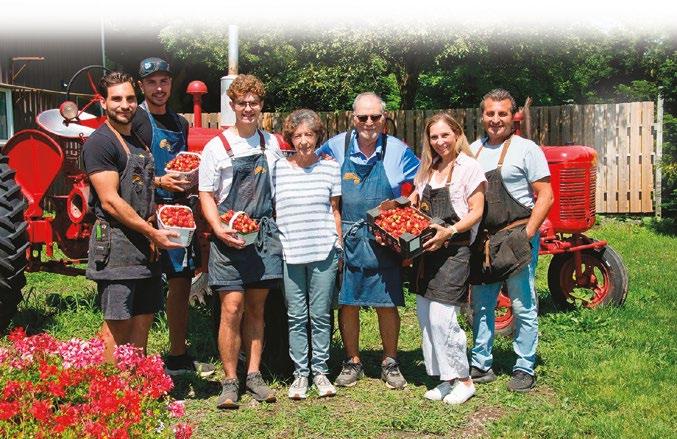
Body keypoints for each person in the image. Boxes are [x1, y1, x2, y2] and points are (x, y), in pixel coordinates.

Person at [316, 92, 420, 390]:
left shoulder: (398, 150)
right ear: (354, 118)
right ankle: (353, 361)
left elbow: (422, 181)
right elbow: (311, 169)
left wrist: (409, 203)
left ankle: (390, 361)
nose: (369, 122)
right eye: (363, 117)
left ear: (384, 118)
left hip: (384, 237)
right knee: (347, 301)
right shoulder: (335, 147)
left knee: (386, 302)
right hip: (346, 235)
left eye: (375, 116)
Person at [82, 71, 182, 362]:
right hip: (116, 245)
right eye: (116, 99)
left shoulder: (137, 140)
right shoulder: (101, 143)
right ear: (103, 103)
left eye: (129, 98)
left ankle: (137, 383)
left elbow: (138, 182)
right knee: (118, 323)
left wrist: (160, 183)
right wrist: (152, 232)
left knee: (143, 317)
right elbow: (111, 201)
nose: (124, 105)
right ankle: (109, 386)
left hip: (144, 247)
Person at [198, 74, 284, 409]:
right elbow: (206, 194)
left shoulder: (271, 143)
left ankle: (254, 375)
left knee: (257, 308)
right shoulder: (216, 147)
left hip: (262, 236)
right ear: (232, 106)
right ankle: (230, 380)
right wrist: (218, 228)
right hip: (229, 236)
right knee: (231, 307)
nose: (248, 108)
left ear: (261, 106)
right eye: (242, 103)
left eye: (254, 103)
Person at [133, 56, 214, 378]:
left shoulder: (180, 123)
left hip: (178, 211)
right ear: (141, 86)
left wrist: (191, 178)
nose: (159, 88)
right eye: (151, 82)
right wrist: (158, 181)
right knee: (145, 284)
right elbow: (125, 171)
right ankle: (137, 362)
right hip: (144, 210)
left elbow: (181, 161)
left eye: (164, 81)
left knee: (180, 281)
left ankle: (178, 355)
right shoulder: (134, 120)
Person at [468, 88, 554, 392]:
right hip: (484, 241)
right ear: (482, 116)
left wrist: (527, 234)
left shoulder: (527, 149)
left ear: (512, 116)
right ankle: (481, 363)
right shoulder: (472, 150)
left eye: (502, 113)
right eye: (490, 113)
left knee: (522, 304)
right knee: (481, 304)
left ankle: (524, 366)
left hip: (517, 235)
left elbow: (546, 195)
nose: (495, 119)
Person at [409, 113, 486, 404]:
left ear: (457, 134)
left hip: (454, 251)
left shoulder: (469, 168)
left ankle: (464, 381)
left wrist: (450, 231)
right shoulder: (428, 169)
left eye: (445, 135)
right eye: (434, 137)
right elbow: (416, 204)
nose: (440, 141)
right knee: (426, 318)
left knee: (443, 318)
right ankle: (445, 378)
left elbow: (477, 211)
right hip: (427, 252)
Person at [272, 109, 342, 400]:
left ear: (317, 137)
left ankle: (321, 371)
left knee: (321, 314)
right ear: (290, 138)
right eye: (298, 135)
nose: (303, 141)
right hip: (291, 252)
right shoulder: (278, 169)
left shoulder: (330, 168)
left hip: (323, 251)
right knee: (296, 316)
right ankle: (300, 374)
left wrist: (338, 245)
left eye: (309, 134)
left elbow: (335, 210)